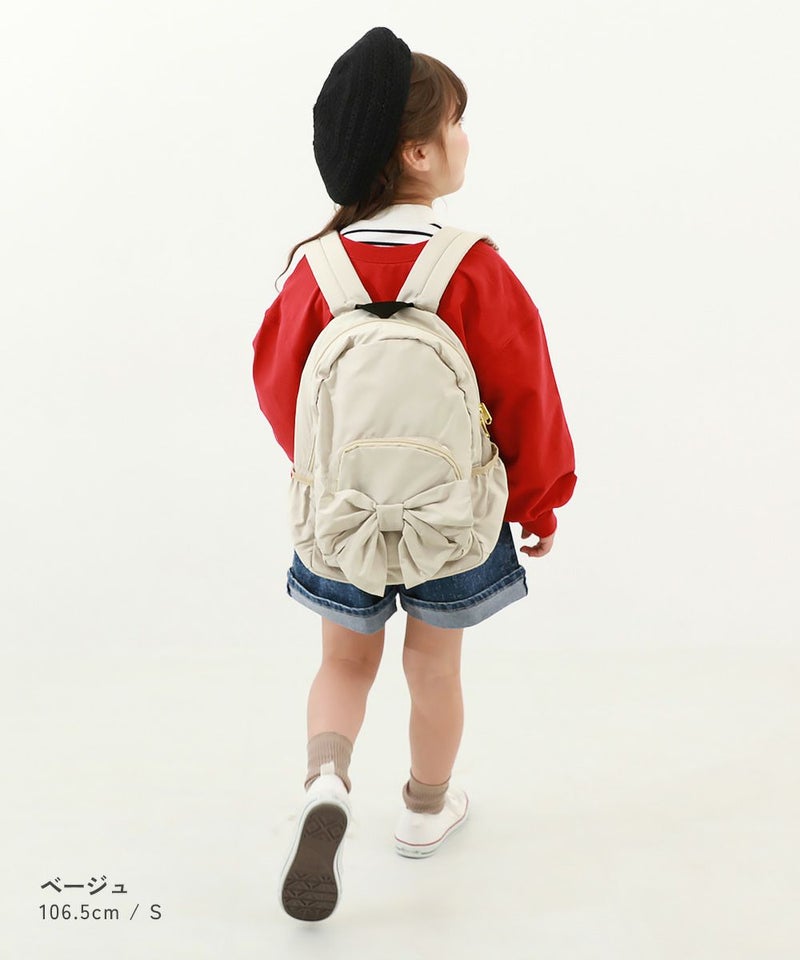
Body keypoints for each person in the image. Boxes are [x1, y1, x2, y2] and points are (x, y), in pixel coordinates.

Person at [252, 26, 577, 922]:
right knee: (434, 665)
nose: (466, 137)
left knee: (343, 661)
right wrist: (540, 500)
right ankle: (426, 811)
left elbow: (280, 390)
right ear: (417, 152)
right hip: (454, 519)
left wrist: (323, 478)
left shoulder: (317, 270)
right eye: (457, 122)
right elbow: (527, 395)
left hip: (343, 516)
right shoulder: (473, 267)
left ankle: (326, 781)